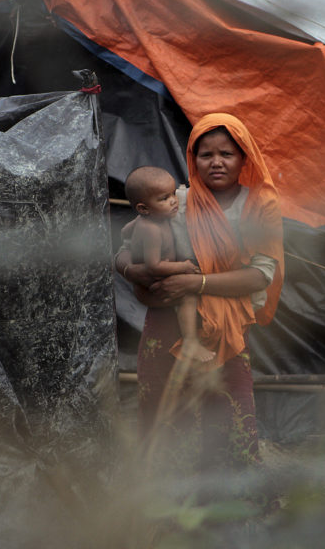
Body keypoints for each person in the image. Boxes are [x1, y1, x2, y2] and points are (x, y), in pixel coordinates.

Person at [115, 113, 284, 470]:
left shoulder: (259, 207)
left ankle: (235, 494)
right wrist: (133, 271)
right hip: (167, 323)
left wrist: (196, 283)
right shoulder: (174, 201)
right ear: (193, 158)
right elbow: (127, 247)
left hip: (224, 329)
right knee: (164, 412)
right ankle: (167, 497)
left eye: (227, 153)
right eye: (206, 154)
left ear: (244, 158)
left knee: (231, 410)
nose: (216, 162)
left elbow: (260, 276)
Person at [123, 166, 215, 363]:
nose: (173, 200)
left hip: (158, 275)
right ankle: (190, 342)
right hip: (152, 283)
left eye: (173, 193)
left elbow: (124, 231)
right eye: (164, 198)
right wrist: (184, 267)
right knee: (188, 296)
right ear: (143, 208)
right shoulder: (152, 230)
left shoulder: (148, 218)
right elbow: (153, 266)